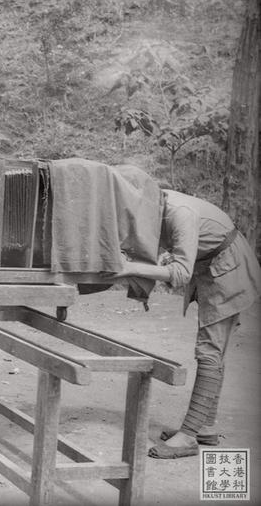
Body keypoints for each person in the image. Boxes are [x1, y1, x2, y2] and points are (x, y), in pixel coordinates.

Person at [107, 189, 261, 459]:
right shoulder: (154, 205)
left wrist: (128, 269)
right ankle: (205, 426)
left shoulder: (179, 213)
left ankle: (189, 437)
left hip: (229, 266)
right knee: (214, 349)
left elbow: (179, 273)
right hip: (212, 264)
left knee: (210, 351)